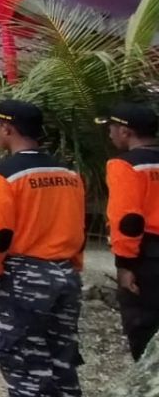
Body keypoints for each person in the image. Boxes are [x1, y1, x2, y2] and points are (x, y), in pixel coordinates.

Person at [0, 99, 85, 397]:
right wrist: (75, 263)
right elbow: (79, 226)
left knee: (23, 357)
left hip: (25, 275)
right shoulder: (68, 172)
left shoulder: (4, 173)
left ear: (6, 127)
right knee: (61, 355)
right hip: (66, 273)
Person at [100, 102, 159, 361]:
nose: (110, 134)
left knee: (144, 328)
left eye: (111, 128)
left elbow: (128, 220)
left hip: (147, 256)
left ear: (125, 132)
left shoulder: (124, 165)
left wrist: (124, 265)